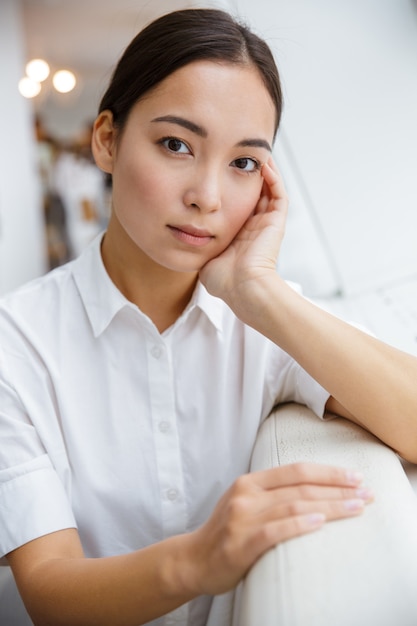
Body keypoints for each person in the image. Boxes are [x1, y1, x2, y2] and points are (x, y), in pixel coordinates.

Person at [1, 8, 417, 626]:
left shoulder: (264, 321)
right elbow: (51, 595)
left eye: (244, 162)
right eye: (176, 145)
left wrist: (261, 292)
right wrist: (196, 560)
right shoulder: (17, 342)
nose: (209, 196)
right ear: (107, 139)